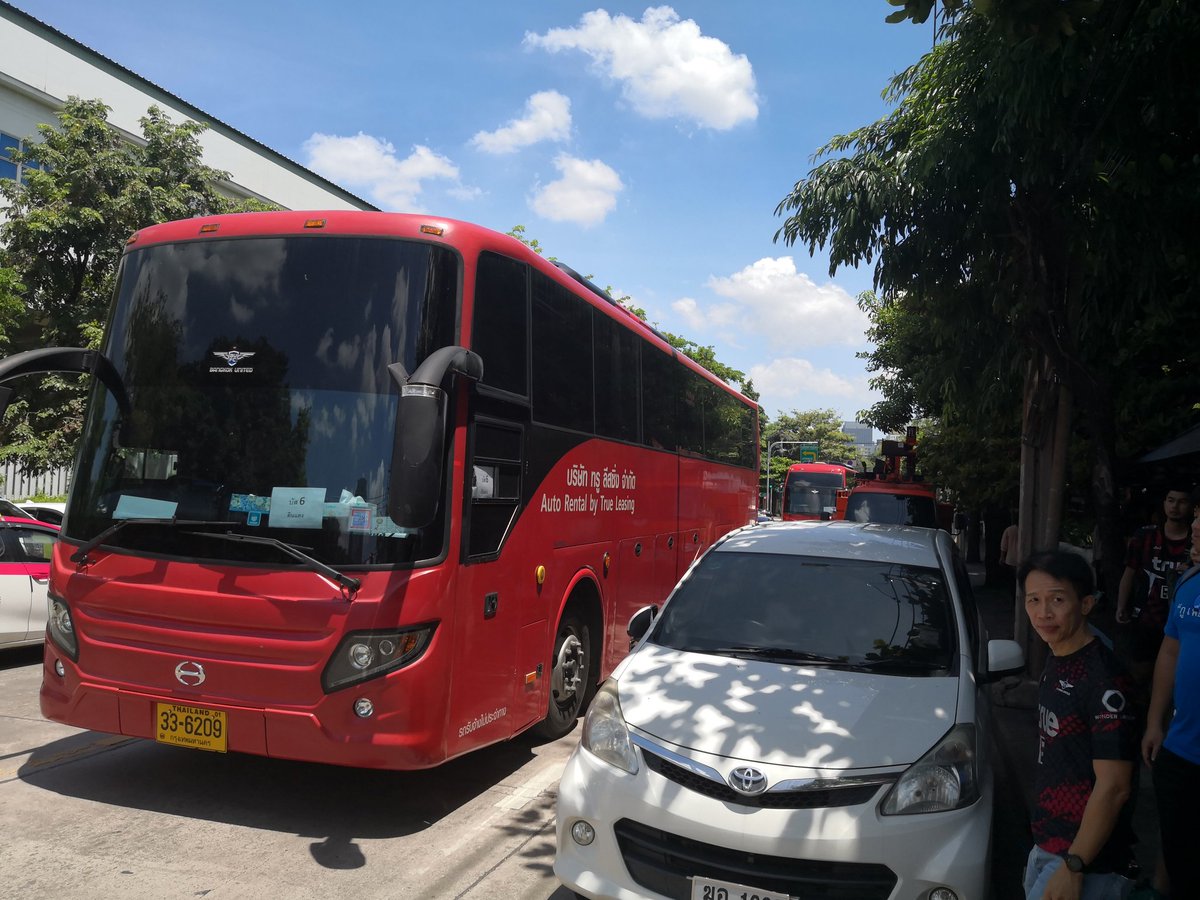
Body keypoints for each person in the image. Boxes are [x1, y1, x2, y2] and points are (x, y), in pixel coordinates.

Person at [1021, 550, 1139, 900]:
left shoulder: (1104, 680)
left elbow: (1115, 786)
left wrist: (1074, 865)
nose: (1043, 612)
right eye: (1034, 600)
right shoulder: (1058, 655)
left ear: (1086, 604)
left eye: (1057, 600)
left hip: (1085, 861)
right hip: (1048, 843)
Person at [1139, 513, 1200, 900]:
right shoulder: (1189, 580)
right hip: (1180, 747)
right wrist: (1154, 722)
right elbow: (1170, 651)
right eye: (1197, 519)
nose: (1195, 528)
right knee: (1179, 847)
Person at [1116, 486, 1194, 695]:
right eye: (1171, 500)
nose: (1175, 506)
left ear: (1191, 507)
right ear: (1164, 503)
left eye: (1182, 501)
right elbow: (1129, 572)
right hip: (1146, 619)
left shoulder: (1195, 541)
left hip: (1181, 622)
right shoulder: (1145, 536)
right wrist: (1121, 605)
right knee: (1138, 676)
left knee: (1174, 681)